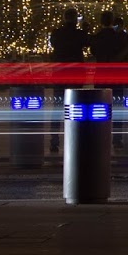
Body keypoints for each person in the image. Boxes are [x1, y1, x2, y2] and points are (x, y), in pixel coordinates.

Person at [88, 11, 128, 148]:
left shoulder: (97, 37)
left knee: (99, 107)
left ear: (101, 21)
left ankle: (99, 136)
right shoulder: (120, 37)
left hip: (101, 76)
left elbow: (93, 52)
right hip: (117, 77)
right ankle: (117, 138)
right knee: (117, 108)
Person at [48, 8, 88, 151]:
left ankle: (54, 140)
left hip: (60, 74)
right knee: (76, 107)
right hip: (76, 74)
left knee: (57, 107)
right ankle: (75, 139)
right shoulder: (80, 34)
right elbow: (87, 43)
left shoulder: (57, 34)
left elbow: (53, 44)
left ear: (64, 18)